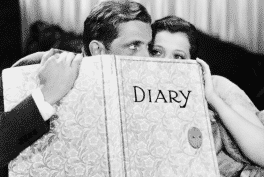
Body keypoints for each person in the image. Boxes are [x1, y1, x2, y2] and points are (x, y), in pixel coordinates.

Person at [0, 0, 152, 175]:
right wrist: (46, 95)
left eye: (148, 46)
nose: (146, 57)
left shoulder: (145, 89)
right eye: (134, 46)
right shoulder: (34, 67)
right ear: (97, 49)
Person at [149, 15, 264, 168]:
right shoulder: (134, 90)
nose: (166, 63)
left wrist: (212, 98)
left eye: (178, 56)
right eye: (157, 52)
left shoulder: (215, 86)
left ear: (193, 63)